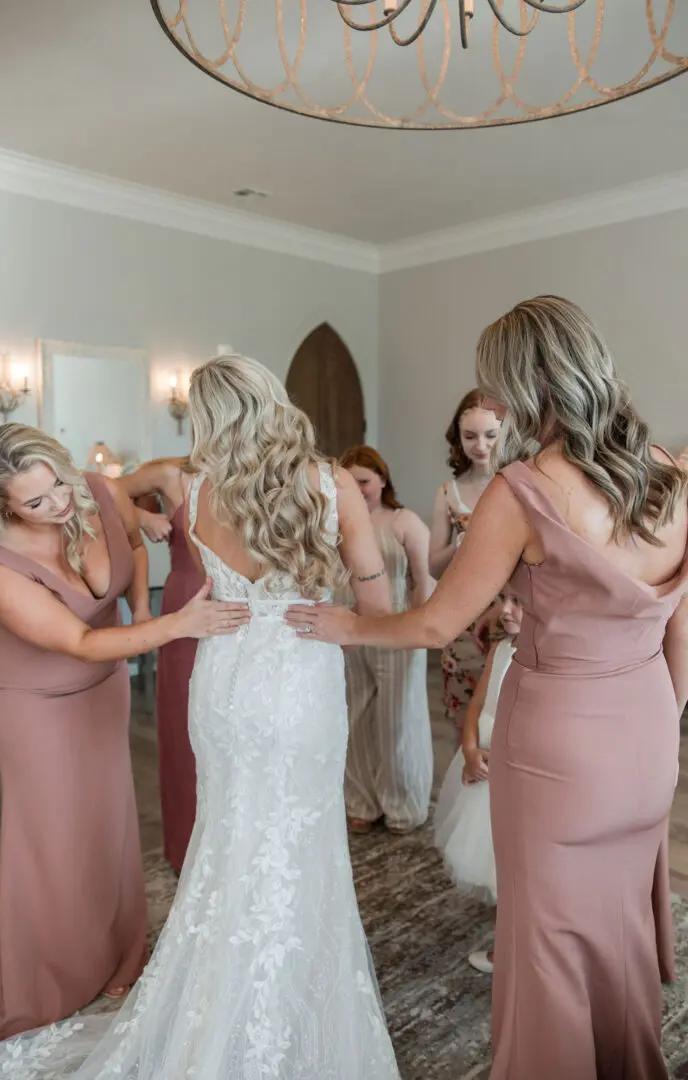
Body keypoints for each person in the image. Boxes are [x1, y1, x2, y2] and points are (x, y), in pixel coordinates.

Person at [287, 296, 688, 1080]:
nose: (493, 408)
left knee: (547, 941)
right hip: (646, 737)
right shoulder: (673, 472)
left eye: (495, 389)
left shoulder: (522, 490)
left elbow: (436, 623)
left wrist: (349, 626)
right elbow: (682, 630)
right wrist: (662, 716)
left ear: (528, 384)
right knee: (617, 927)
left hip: (557, 750)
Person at [0, 358, 401, 1079]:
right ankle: (289, 1001)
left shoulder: (193, 490)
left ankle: (212, 1003)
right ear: (275, 402)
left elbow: (140, 527)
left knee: (228, 839)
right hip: (299, 675)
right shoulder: (331, 486)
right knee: (301, 841)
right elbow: (379, 611)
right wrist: (348, 615)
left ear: (205, 420)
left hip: (226, 675)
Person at [0, 424, 249, 1043]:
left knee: (108, 815)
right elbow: (80, 640)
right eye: (35, 503)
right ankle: (47, 974)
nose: (60, 505)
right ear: (2, 506)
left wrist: (145, 613)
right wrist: (176, 625)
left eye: (59, 487)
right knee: (52, 830)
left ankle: (117, 952)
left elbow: (133, 548)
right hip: (34, 697)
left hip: (105, 681)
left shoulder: (97, 490)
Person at [339, 445, 434, 834]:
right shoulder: (336, 524)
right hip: (348, 628)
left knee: (397, 718)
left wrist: (415, 627)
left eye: (364, 481)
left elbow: (424, 580)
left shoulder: (403, 521)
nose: (359, 490)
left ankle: (403, 805)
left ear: (382, 479)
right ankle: (362, 801)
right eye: (350, 482)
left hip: (395, 627)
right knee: (355, 716)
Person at [433, 590, 523, 975]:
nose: (504, 610)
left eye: (517, 601)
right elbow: (476, 705)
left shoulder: (541, 662)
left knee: (516, 870)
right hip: (480, 772)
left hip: (512, 776)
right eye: (505, 599)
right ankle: (510, 946)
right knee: (499, 871)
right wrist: (470, 751)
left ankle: (514, 954)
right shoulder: (501, 651)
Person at [119, 457, 201, 873]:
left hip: (247, 608)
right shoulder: (172, 474)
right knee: (187, 728)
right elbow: (95, 492)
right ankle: (189, 851)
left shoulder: (254, 470)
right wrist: (141, 515)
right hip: (188, 601)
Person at [428, 390, 502, 735]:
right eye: (470, 436)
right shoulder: (448, 493)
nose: (481, 446)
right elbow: (434, 567)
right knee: (465, 730)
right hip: (463, 621)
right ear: (457, 439)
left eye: (490, 435)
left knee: (507, 725)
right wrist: (460, 544)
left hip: (511, 616)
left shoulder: (516, 487)